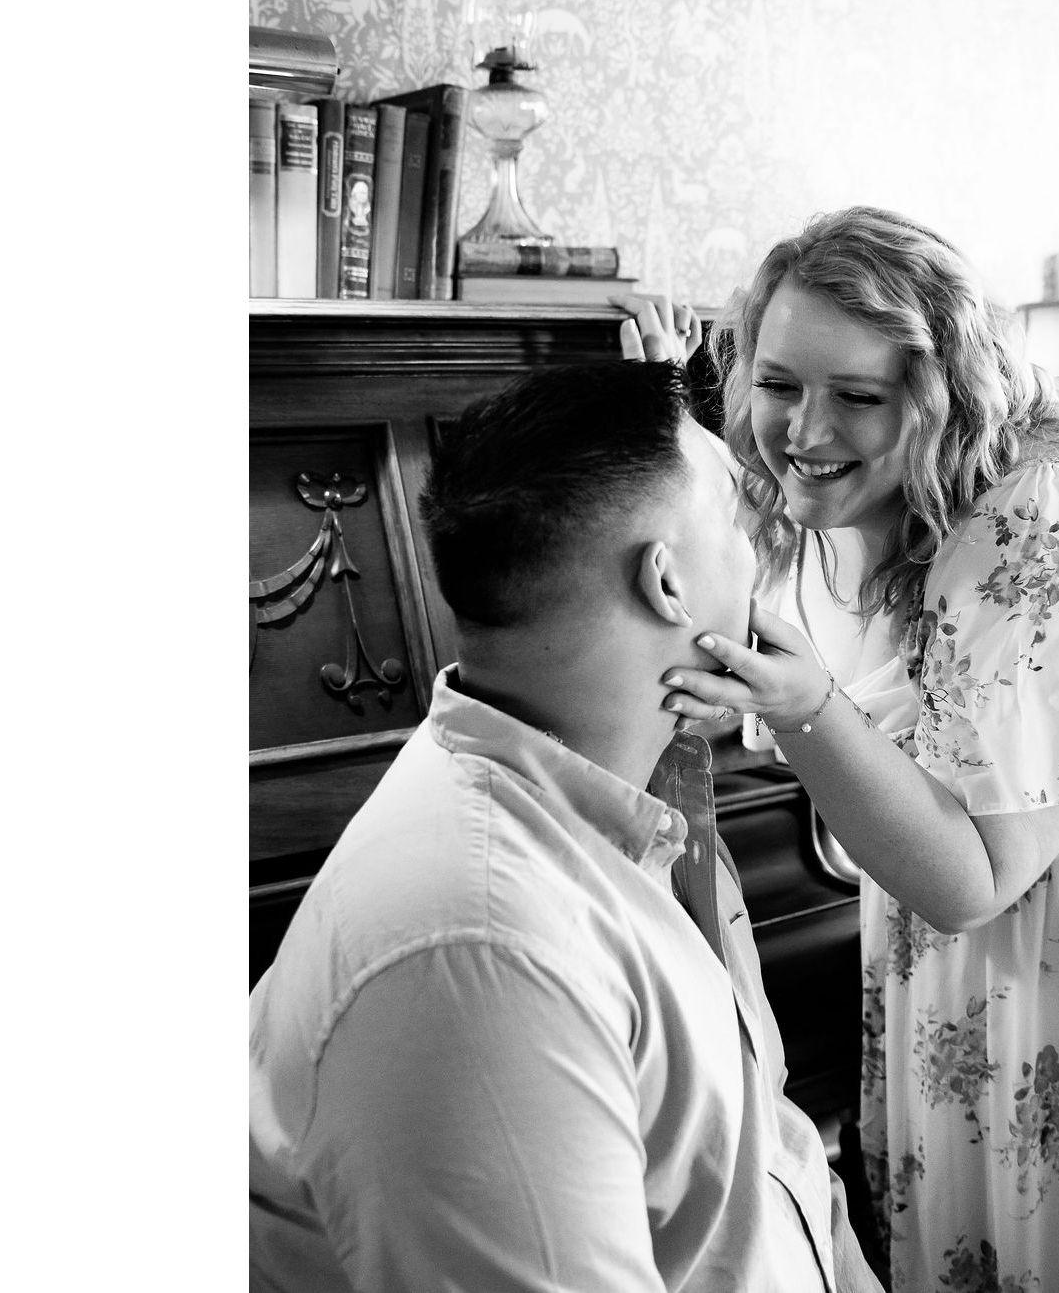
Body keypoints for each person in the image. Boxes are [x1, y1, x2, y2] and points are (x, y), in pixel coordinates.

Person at [657, 207, 1059, 1293]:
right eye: (777, 382)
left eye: (858, 396)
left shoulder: (1049, 520)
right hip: (971, 908)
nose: (804, 428)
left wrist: (804, 713)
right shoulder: (823, 485)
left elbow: (969, 881)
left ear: (943, 394)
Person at [249, 360, 884, 1293]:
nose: (761, 549)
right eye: (738, 519)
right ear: (666, 581)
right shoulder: (480, 951)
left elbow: (770, 1160)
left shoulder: (643, 801)